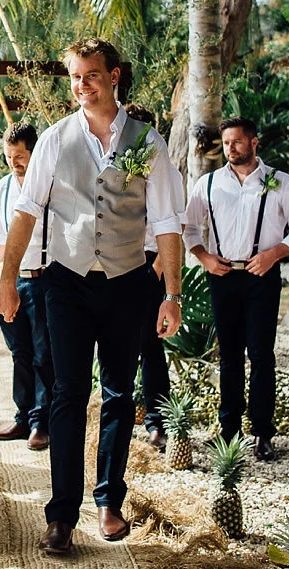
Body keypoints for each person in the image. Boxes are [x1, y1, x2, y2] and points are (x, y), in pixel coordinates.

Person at [0, 38, 184, 556]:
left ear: (115, 75)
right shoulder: (55, 139)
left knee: (121, 393)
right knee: (67, 394)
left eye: (91, 75)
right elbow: (27, 213)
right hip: (66, 283)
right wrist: (8, 278)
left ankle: (109, 500)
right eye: (75, 77)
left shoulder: (148, 141)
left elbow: (167, 221)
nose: (81, 86)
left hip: (128, 283)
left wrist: (172, 293)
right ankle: (61, 517)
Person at [183, 117, 289, 461]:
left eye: (238, 142)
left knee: (261, 355)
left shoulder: (279, 182)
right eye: (226, 143)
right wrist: (204, 257)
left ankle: (263, 433)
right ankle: (229, 431)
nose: (231, 149)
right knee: (228, 357)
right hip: (222, 276)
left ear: (254, 143)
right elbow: (189, 229)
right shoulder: (208, 184)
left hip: (262, 276)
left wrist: (274, 253)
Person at [0, 122, 55, 452]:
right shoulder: (2, 188)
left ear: (34, 152)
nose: (15, 162)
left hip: (44, 280)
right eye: (10, 156)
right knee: (20, 353)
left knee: (45, 355)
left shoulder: (50, 185)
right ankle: (23, 416)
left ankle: (42, 422)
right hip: (11, 282)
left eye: (21, 155)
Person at [125, 103, 177, 453]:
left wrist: (155, 269)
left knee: (150, 347)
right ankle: (120, 418)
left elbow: (176, 223)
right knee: (117, 347)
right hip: (115, 264)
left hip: (149, 264)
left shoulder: (166, 170)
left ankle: (157, 422)